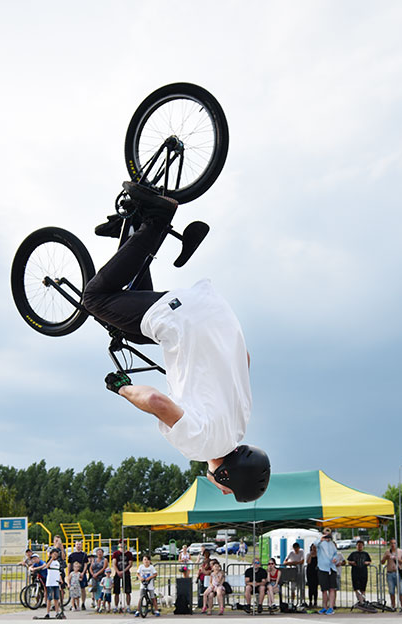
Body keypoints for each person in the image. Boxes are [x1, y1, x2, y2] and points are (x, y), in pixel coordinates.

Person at [85, 182, 270, 504]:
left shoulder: (238, 425)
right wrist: (123, 389)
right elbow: (156, 401)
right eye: (226, 489)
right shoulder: (201, 446)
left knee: (137, 328)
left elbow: (246, 359)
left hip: (219, 315)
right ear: (227, 476)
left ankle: (132, 230)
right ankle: (156, 220)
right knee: (95, 298)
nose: (220, 489)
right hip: (186, 315)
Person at [316, 531, 341, 614]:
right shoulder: (320, 543)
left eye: (328, 536)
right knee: (324, 589)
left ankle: (331, 607)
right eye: (326, 535)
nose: (327, 538)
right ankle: (324, 607)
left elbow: (335, 554)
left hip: (331, 568)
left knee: (332, 588)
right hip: (322, 568)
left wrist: (335, 559)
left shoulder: (332, 544)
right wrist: (321, 539)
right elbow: (315, 544)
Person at [380, 538, 402, 609]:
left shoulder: (400, 551)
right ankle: (393, 606)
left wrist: (397, 559)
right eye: (392, 543)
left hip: (398, 573)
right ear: (390, 544)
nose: (393, 545)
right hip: (390, 573)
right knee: (391, 591)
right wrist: (385, 558)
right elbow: (382, 562)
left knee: (401, 591)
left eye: (394, 543)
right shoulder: (387, 552)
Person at [347, 540, 372, 604]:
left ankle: (363, 600)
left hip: (363, 572)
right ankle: (360, 600)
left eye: (361, 545)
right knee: (356, 588)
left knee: (363, 588)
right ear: (356, 546)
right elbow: (348, 561)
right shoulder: (353, 554)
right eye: (358, 545)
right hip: (355, 573)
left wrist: (366, 563)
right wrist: (352, 563)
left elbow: (369, 561)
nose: (359, 547)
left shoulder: (365, 554)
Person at [112, 541, 134, 613]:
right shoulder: (116, 554)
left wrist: (123, 571)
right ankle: (116, 606)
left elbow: (130, 564)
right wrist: (118, 571)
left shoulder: (129, 554)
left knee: (127, 591)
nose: (121, 546)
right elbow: (114, 563)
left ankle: (128, 606)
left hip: (126, 574)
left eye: (123, 544)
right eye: (120, 544)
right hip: (117, 574)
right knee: (116, 592)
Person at [67, 541, 89, 611]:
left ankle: (83, 603)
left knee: (82, 589)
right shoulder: (71, 555)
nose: (78, 546)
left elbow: (85, 564)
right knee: (72, 589)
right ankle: (73, 604)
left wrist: (83, 572)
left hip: (81, 573)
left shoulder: (84, 555)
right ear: (75, 545)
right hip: (73, 574)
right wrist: (68, 574)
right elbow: (69, 565)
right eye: (77, 544)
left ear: (81, 545)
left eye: (79, 544)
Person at [43, 548, 64, 619]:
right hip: (50, 582)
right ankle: (47, 612)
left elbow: (59, 572)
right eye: (54, 554)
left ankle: (57, 612)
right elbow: (47, 566)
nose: (55, 556)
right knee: (49, 598)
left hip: (56, 582)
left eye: (56, 554)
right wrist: (51, 559)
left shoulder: (58, 563)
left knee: (56, 598)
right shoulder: (50, 561)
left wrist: (60, 579)